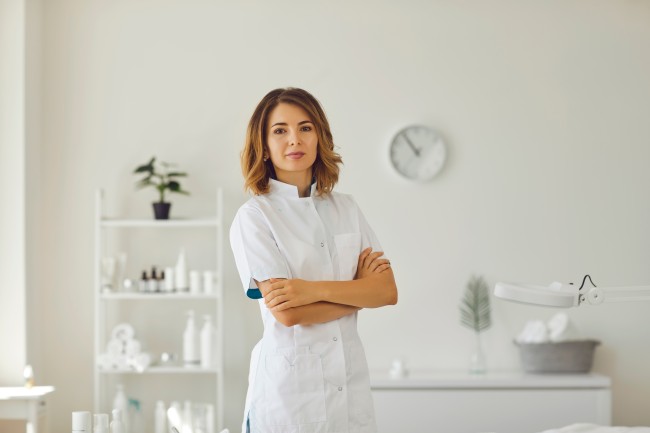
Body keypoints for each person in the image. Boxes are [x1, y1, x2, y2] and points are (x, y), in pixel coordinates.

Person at [230, 87, 398, 433]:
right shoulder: (255, 217)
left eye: (306, 128)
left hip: (350, 390)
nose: (295, 139)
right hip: (291, 399)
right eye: (280, 130)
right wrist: (356, 292)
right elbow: (288, 313)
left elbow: (386, 292)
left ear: (320, 136)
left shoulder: (347, 208)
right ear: (262, 144)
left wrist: (308, 289)